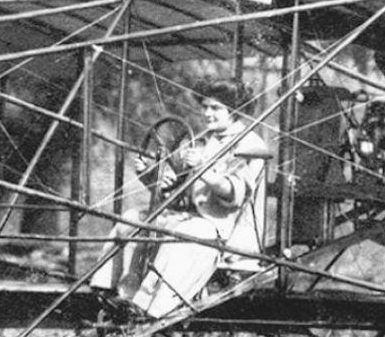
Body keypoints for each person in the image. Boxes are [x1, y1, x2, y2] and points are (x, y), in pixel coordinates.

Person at [93, 80, 271, 318]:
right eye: (206, 107)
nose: (207, 113)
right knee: (132, 219)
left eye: (216, 108)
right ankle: (114, 291)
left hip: (226, 229)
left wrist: (202, 169)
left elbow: (233, 193)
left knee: (186, 234)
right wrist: (151, 176)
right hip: (188, 216)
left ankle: (148, 306)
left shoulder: (250, 144)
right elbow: (175, 189)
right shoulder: (202, 139)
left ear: (235, 110)